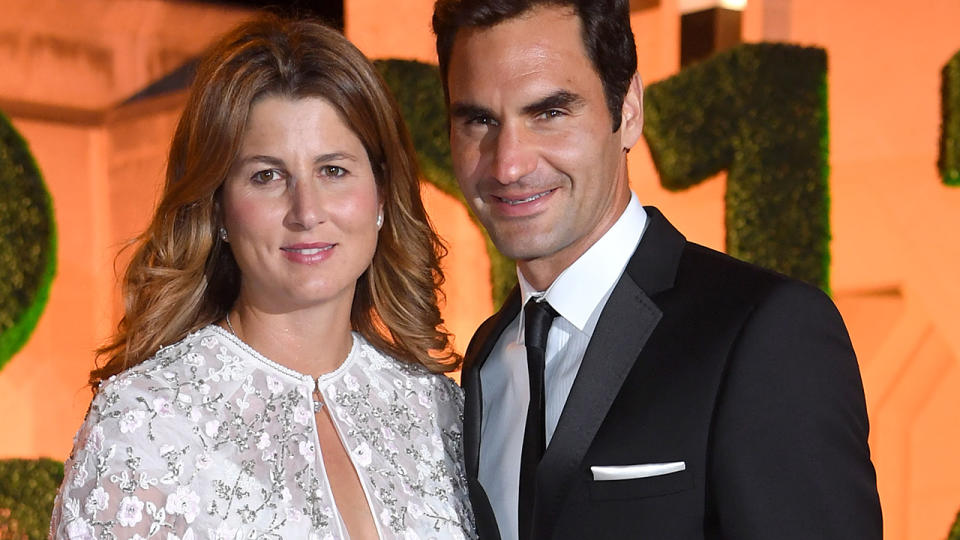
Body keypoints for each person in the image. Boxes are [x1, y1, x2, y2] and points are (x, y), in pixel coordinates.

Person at [431, 0, 882, 538]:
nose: (508, 163)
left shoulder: (765, 332)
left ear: (628, 112)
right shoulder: (486, 358)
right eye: (479, 120)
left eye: (549, 113)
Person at [50, 15, 476, 539]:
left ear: (382, 196)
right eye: (266, 176)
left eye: (333, 170)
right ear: (219, 208)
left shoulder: (443, 415)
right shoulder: (145, 425)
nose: (306, 211)